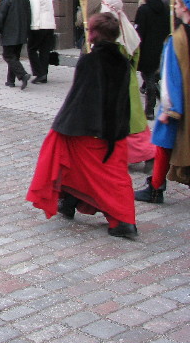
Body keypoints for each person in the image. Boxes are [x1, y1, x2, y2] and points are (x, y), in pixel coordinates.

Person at [27, 12, 137, 238]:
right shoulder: (123, 61)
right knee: (102, 173)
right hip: (113, 128)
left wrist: (62, 125)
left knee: (73, 162)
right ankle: (70, 202)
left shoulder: (91, 60)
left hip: (89, 128)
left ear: (94, 34)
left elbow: (79, 97)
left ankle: (123, 220)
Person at [134, 0, 190, 204]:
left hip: (178, 102)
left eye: (177, 3)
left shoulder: (176, 40)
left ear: (184, 7)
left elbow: (171, 78)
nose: (174, 6)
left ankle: (156, 187)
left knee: (164, 141)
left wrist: (169, 107)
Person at [100, 0, 155, 167]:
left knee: (130, 121)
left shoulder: (113, 32)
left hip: (116, 82)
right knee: (131, 120)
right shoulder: (127, 28)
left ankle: (147, 155)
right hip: (126, 77)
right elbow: (135, 53)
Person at [135, 0, 170, 120]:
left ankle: (150, 109)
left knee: (148, 77)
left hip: (147, 48)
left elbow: (139, 31)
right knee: (153, 77)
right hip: (161, 46)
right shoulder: (165, 6)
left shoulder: (143, 9)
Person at [0, 0, 32, 89]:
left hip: (9, 32)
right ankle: (10, 81)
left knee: (8, 56)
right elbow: (29, 15)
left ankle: (23, 75)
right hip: (21, 31)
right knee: (15, 57)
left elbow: (0, 16)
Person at [25, 0, 56, 84]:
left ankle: (39, 73)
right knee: (44, 51)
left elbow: (35, 10)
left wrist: (33, 25)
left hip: (39, 25)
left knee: (31, 49)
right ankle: (44, 74)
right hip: (49, 25)